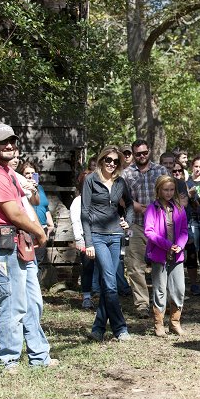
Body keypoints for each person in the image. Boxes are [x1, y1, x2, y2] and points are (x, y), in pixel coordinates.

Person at [0, 123, 57, 370]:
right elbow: (13, 213)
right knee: (12, 303)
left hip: (21, 243)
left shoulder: (7, 172)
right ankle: (7, 360)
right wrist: (39, 233)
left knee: (33, 302)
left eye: (12, 141)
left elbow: (31, 196)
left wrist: (29, 185)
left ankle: (39, 356)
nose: (9, 145)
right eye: (3, 142)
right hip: (6, 244)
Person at [82, 146, 134, 342]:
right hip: (97, 236)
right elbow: (84, 212)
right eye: (108, 160)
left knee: (108, 284)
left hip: (115, 235)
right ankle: (121, 328)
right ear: (102, 160)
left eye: (115, 161)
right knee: (111, 284)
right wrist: (88, 242)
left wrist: (127, 220)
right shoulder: (90, 180)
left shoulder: (120, 182)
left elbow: (129, 204)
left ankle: (98, 329)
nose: (111, 164)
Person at [121, 139, 168, 318]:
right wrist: (137, 206)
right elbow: (121, 197)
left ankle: (160, 302)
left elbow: (169, 193)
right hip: (136, 223)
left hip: (159, 225)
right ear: (133, 154)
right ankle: (141, 304)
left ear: (149, 152)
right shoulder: (126, 174)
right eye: (138, 153)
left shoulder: (161, 170)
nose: (142, 156)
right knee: (134, 265)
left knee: (160, 264)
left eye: (144, 153)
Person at [144, 175, 188, 337]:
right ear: (159, 190)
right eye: (165, 189)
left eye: (171, 189)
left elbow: (184, 230)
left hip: (177, 255)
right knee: (160, 289)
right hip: (159, 254)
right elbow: (149, 231)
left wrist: (180, 246)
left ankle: (175, 322)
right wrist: (168, 245)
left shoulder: (179, 208)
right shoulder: (152, 208)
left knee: (179, 289)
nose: (169, 193)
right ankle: (159, 323)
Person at [70, 170, 97, 309]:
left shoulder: (100, 198)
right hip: (86, 240)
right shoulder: (78, 201)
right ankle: (87, 297)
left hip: (101, 237)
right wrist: (79, 239)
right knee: (87, 268)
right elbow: (75, 221)